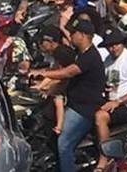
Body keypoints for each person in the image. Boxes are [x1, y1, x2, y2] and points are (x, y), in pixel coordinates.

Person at [30, 19, 105, 172]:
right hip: (74, 104)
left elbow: (67, 73)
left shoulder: (90, 56)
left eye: (73, 32)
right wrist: (48, 90)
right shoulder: (79, 54)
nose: (70, 35)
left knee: (64, 143)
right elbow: (66, 80)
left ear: (83, 35)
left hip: (84, 109)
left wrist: (41, 73)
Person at [93, 27, 127, 170]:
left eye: (116, 44)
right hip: (108, 99)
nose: (113, 48)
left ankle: (104, 158)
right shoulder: (107, 61)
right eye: (109, 45)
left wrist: (118, 101)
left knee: (100, 116)